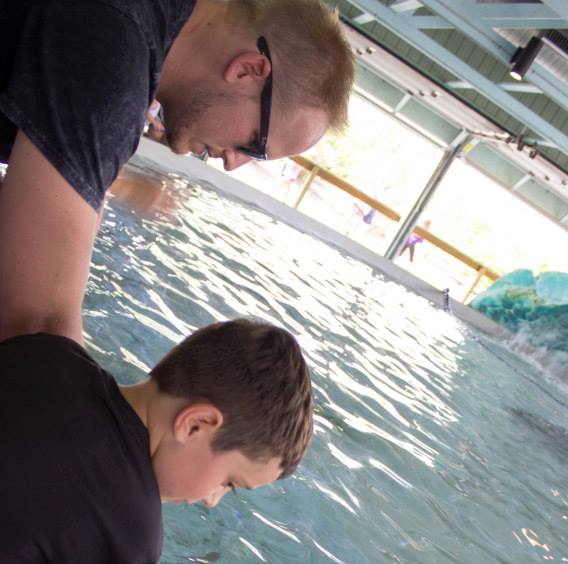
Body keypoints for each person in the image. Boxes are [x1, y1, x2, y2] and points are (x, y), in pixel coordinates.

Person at [0, 0, 354, 343]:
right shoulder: (118, 53)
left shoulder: (139, 29)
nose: (234, 162)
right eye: (253, 144)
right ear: (248, 70)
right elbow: (36, 324)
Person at [0, 318, 313, 564]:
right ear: (196, 425)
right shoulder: (129, 526)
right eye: (229, 482)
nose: (214, 499)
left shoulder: (52, 353)